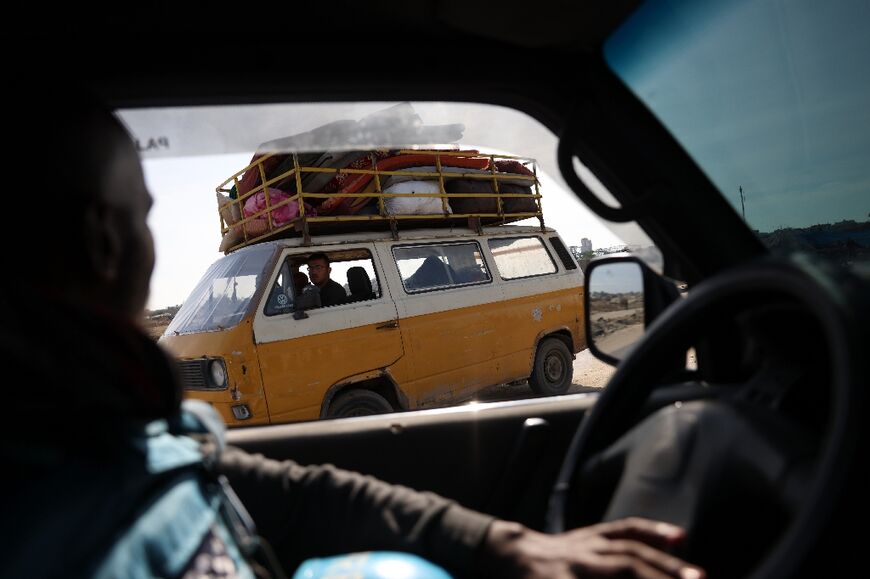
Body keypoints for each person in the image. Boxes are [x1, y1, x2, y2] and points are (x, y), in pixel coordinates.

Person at [2, 91, 705, 579]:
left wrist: (508, 544)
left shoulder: (134, 431)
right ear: (104, 241)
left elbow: (304, 494)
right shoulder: (90, 458)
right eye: (144, 214)